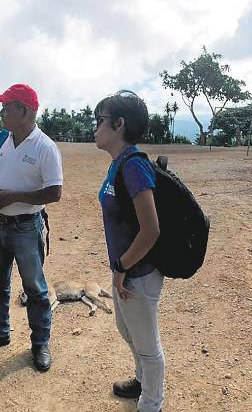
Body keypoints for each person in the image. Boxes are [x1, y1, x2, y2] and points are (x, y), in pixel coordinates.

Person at [0, 83, 63, 372]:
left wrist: (16, 197)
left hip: (26, 227)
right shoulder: (0, 139)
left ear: (24, 111)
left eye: (6, 107)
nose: (1, 113)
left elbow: (54, 192)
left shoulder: (45, 147)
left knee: (35, 289)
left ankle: (40, 344)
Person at [94, 90, 164, 412]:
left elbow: (151, 230)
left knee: (148, 346)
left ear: (119, 124)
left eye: (101, 120)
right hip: (124, 269)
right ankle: (140, 381)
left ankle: (151, 404)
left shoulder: (134, 166)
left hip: (138, 271)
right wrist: (118, 269)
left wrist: (121, 268)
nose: (96, 127)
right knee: (127, 330)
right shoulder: (118, 163)